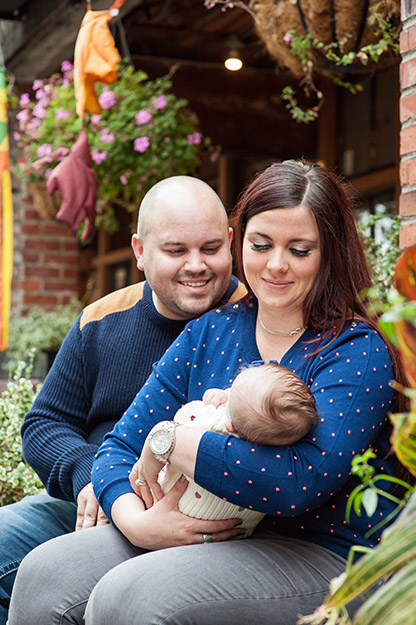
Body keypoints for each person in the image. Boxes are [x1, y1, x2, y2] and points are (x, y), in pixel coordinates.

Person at [7, 160, 407, 625]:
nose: (276, 264)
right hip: (206, 529)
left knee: (132, 597)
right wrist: (137, 521)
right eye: (262, 245)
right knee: (45, 573)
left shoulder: (356, 349)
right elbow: (119, 446)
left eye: (299, 250)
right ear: (244, 245)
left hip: (319, 550)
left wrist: (178, 442)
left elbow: (299, 481)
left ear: (330, 253)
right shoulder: (211, 330)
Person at [0, 175, 246, 625]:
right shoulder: (101, 319)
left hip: (201, 525)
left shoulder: (254, 321)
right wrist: (94, 479)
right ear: (139, 251)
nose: (197, 265)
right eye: (176, 251)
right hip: (92, 507)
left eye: (211, 248)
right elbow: (44, 424)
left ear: (231, 243)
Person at [155, 361, 318, 537]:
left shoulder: (214, 423)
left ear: (230, 425)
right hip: (232, 535)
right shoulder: (271, 455)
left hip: (169, 508)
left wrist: (211, 404)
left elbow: (180, 421)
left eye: (231, 391)